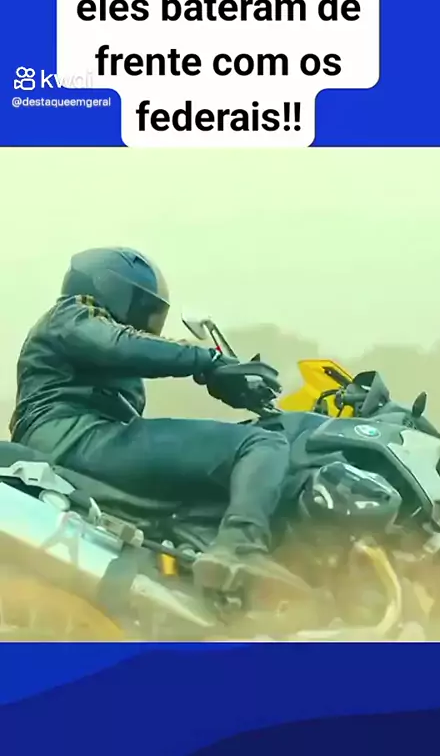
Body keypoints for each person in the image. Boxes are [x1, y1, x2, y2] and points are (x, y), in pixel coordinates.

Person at [10, 247, 305, 595]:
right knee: (261, 442)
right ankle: (239, 548)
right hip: (78, 438)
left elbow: (135, 350)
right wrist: (208, 360)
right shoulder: (72, 313)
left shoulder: (94, 349)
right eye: (142, 308)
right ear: (110, 287)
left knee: (209, 484)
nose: (147, 322)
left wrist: (218, 377)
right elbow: (121, 344)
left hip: (81, 441)